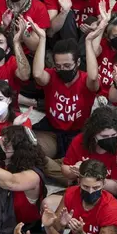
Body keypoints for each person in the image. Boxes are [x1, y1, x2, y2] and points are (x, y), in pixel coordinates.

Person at [32, 34, 100, 172]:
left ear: (78, 63)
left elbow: (93, 77)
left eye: (67, 65)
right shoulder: (51, 76)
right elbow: (38, 75)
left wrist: (88, 42)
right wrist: (43, 39)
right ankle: (63, 170)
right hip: (52, 130)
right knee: (32, 153)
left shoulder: (86, 80)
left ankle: (62, 170)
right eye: (59, 66)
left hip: (78, 133)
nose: (63, 69)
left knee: (87, 166)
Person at [41, 159, 117, 234]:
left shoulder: (111, 209)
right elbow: (57, 232)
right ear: (79, 181)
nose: (91, 191)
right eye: (86, 187)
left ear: (104, 184)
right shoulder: (71, 193)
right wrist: (59, 224)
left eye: (96, 187)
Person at [61, 106, 117, 195]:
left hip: (107, 195)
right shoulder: (79, 141)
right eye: (104, 136)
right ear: (93, 134)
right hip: (80, 190)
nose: (109, 139)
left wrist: (89, 176)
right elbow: (65, 169)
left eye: (113, 135)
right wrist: (75, 172)